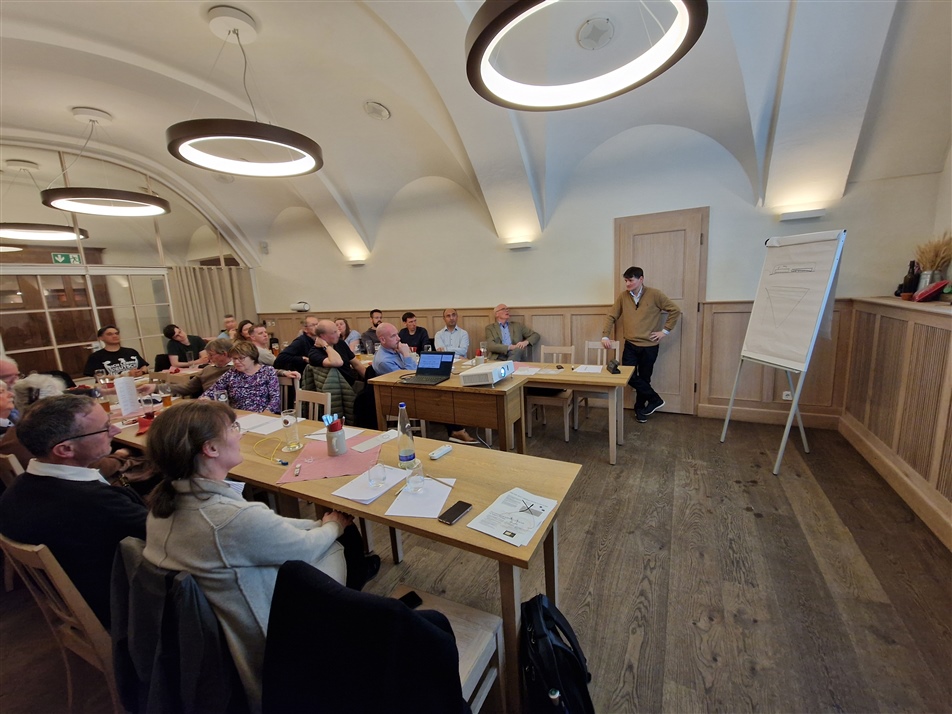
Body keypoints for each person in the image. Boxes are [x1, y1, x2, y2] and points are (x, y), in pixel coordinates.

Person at [143, 400, 376, 712]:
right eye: (233, 428)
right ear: (210, 448)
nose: (239, 434)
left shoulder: (163, 507)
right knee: (343, 541)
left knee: (331, 532)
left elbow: (265, 529)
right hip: (267, 637)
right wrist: (332, 526)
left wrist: (321, 524)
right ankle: (345, 622)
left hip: (222, 627)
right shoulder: (228, 519)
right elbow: (300, 547)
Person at [0, 394, 147, 626]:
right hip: (124, 610)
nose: (115, 431)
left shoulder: (14, 490)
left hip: (73, 595)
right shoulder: (96, 502)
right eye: (105, 428)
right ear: (65, 449)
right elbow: (169, 536)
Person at [602, 266, 681, 423]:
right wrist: (605, 335)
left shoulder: (655, 294)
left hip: (650, 347)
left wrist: (664, 331)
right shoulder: (623, 297)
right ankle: (655, 399)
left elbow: (675, 310)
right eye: (626, 280)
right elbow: (611, 316)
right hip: (630, 345)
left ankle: (640, 409)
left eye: (630, 280)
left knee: (644, 378)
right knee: (628, 375)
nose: (627, 284)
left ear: (641, 279)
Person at [376, 323, 477, 445]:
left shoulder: (394, 350)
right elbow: (409, 377)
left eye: (397, 334)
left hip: (409, 388)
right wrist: (407, 355)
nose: (398, 338)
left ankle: (455, 430)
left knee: (442, 387)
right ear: (382, 340)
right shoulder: (384, 360)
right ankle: (456, 431)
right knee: (440, 396)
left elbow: (414, 373)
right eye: (393, 336)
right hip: (400, 397)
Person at [201, 341, 281, 414]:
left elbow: (275, 398)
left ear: (252, 357)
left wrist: (266, 413)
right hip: (238, 415)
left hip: (263, 415)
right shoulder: (231, 373)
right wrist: (205, 398)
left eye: (241, 358)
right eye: (234, 358)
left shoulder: (267, 371)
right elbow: (212, 391)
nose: (236, 362)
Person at [308, 320, 366, 387]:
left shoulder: (340, 343)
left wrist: (369, 380)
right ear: (323, 336)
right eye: (334, 332)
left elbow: (357, 365)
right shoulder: (314, 353)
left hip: (351, 384)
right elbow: (338, 362)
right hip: (336, 389)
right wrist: (325, 345)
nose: (339, 334)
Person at [83, 325, 149, 378]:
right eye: (109, 334)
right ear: (101, 338)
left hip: (139, 382)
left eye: (116, 333)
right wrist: (124, 375)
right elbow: (99, 377)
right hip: (114, 386)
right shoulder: (96, 356)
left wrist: (141, 372)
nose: (115, 336)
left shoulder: (131, 351)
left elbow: (144, 366)